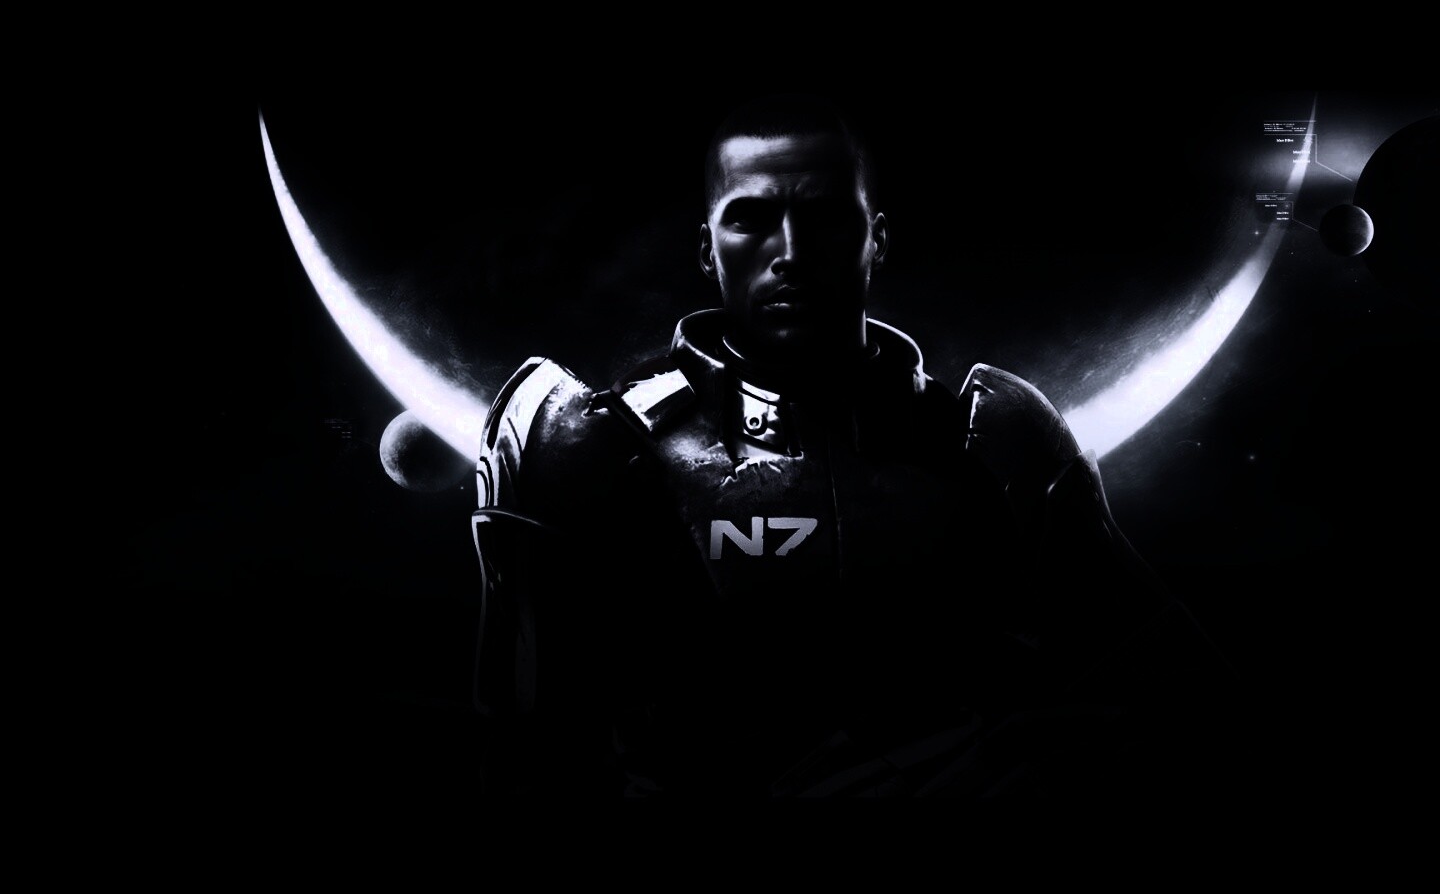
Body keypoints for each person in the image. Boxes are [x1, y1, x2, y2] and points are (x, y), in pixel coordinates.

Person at [470, 95, 1234, 798]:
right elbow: (528, 755)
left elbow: (1172, 688)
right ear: (708, 249)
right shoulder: (594, 448)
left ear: (878, 239)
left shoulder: (994, 444)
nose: (791, 251)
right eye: (751, 219)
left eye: (826, 218)